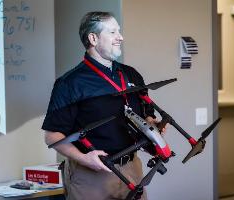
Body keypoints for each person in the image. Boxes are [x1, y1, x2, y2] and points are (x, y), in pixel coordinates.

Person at [42, 11, 161, 200]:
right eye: (113, 32)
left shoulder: (132, 75)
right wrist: (83, 159)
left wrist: (153, 127)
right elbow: (52, 136)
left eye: (119, 31)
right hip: (91, 175)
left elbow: (147, 114)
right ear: (93, 38)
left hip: (132, 168)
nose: (120, 37)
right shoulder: (70, 83)